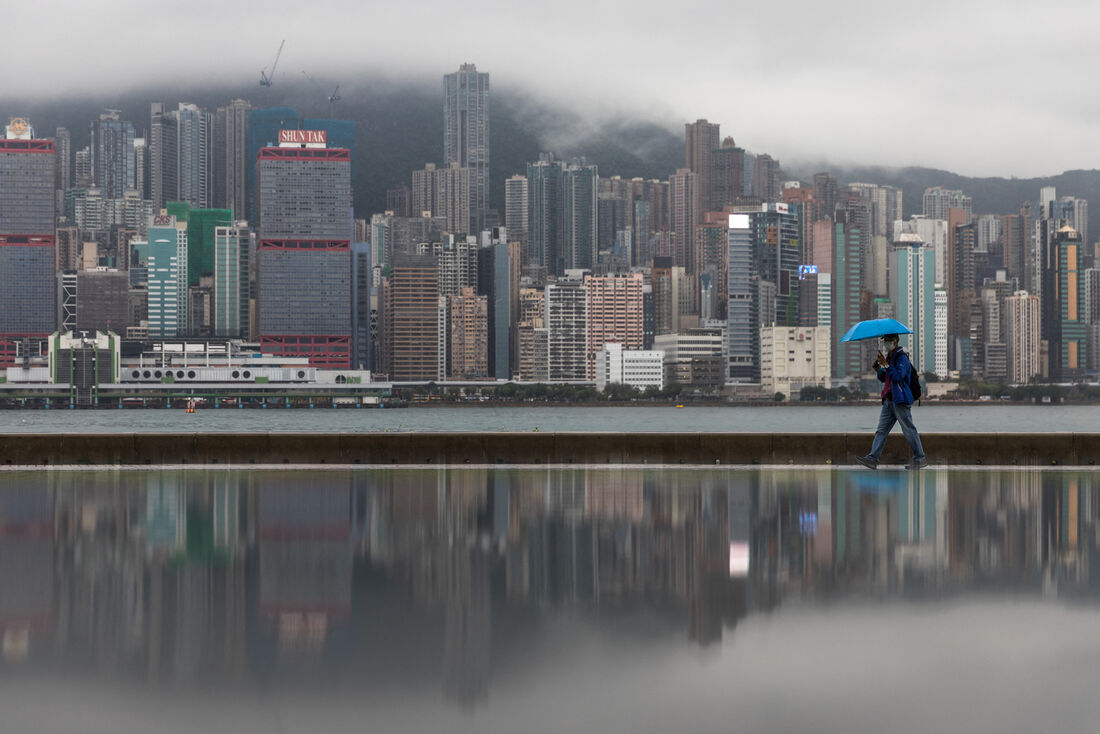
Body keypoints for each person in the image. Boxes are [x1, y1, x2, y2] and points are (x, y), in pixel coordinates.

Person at [853, 333, 927, 470]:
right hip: (888, 400)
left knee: (909, 429)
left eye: (889, 341)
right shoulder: (889, 358)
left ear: (896, 341)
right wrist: (879, 369)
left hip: (900, 400)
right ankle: (872, 459)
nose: (886, 343)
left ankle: (920, 458)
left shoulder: (902, 358)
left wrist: (886, 366)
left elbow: (898, 377)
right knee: (881, 431)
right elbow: (885, 379)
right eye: (885, 341)